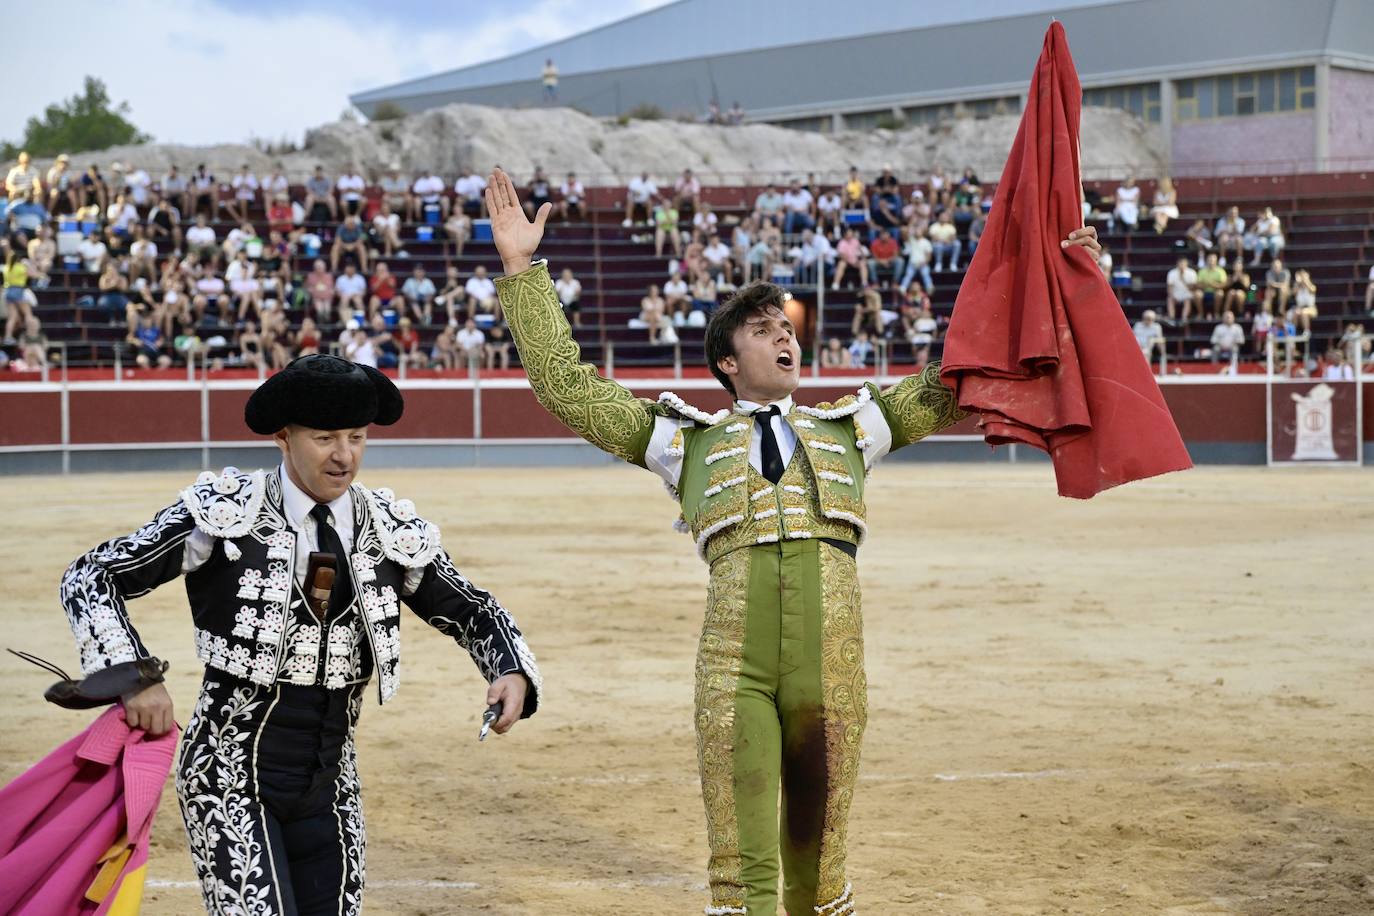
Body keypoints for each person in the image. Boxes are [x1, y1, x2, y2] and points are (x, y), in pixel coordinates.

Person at [484, 167, 1099, 915]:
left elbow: (959, 378)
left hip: (830, 676)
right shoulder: (682, 440)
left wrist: (1058, 277)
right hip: (732, 674)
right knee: (742, 880)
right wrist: (522, 269)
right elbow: (570, 390)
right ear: (726, 362)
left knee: (818, 873)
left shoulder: (854, 427)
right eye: (763, 330)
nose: (785, 336)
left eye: (787, 329)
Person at [54, 356, 540, 913]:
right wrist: (134, 677)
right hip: (228, 774)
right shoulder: (225, 513)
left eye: (357, 437)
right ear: (284, 438)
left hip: (332, 780)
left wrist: (508, 668)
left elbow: (472, 607)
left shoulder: (384, 525)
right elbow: (92, 576)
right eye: (326, 437)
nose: (345, 455)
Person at [1165, 256, 1200, 323]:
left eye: (1183, 264)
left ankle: (1184, 318)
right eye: (1180, 264)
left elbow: (1193, 288)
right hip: (1175, 293)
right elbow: (1169, 287)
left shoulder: (1192, 273)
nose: (1181, 265)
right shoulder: (1171, 273)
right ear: (1177, 264)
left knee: (1187, 300)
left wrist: (1183, 279)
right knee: (1169, 299)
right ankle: (1171, 318)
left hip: (1188, 293)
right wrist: (1171, 295)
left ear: (1186, 264)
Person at [1196, 253, 1228, 321]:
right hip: (1204, 292)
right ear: (1207, 261)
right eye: (1209, 260)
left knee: (1220, 293)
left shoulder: (1220, 271)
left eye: (1213, 260)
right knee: (1197, 294)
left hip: (1215, 292)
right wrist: (1206, 285)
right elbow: (1198, 284)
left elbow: (1224, 285)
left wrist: (1213, 285)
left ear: (1216, 261)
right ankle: (1200, 314)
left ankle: (1216, 313)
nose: (1211, 262)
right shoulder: (1202, 271)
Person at [1291, 268, 1317, 334]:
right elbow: (1293, 293)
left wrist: (1305, 280)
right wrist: (1297, 282)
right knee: (1295, 313)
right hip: (1300, 308)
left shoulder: (1312, 286)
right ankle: (1292, 334)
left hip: (1311, 308)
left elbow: (1312, 289)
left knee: (1303, 312)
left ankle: (1307, 331)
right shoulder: (1297, 287)